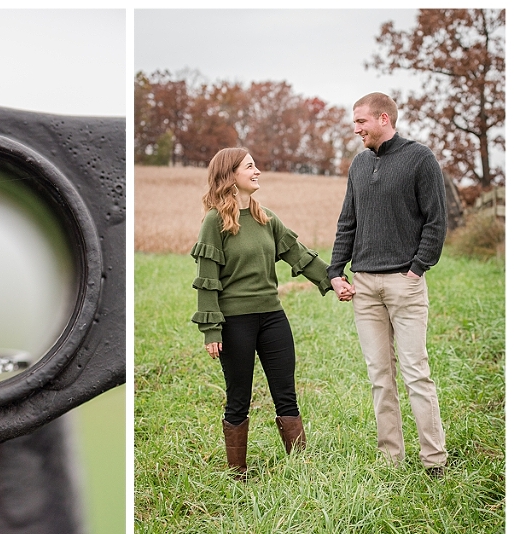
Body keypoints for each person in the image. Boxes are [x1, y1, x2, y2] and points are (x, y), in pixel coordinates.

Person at [190, 147, 333, 481]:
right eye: (250, 167)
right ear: (230, 176)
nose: (257, 172)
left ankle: (300, 469)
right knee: (238, 398)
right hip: (235, 322)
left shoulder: (266, 218)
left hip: (272, 317)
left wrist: (334, 280)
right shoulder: (214, 222)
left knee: (286, 394)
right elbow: (207, 280)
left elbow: (299, 255)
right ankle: (237, 474)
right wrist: (211, 330)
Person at [328, 92, 448, 477]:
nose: (356, 129)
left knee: (416, 374)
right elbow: (347, 222)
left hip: (404, 283)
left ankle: (434, 460)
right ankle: (390, 459)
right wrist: (336, 271)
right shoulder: (359, 164)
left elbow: (436, 221)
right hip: (364, 287)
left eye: (361, 121)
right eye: (354, 122)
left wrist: (416, 269)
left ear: (384, 118)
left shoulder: (420, 159)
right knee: (380, 378)